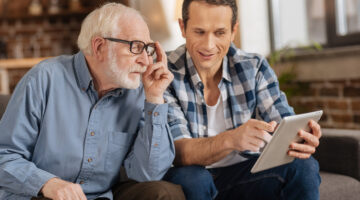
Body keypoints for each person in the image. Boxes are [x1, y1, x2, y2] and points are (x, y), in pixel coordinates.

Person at [0, 3, 185, 200]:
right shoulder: (43, 79)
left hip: (103, 196)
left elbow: (148, 174)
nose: (146, 61)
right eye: (136, 47)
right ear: (99, 47)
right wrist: (48, 183)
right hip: (41, 195)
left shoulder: (139, 93)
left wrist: (155, 99)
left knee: (166, 194)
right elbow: (4, 156)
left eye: (147, 49)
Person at [163, 0, 322, 199]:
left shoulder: (253, 67)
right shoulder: (164, 72)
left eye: (220, 33)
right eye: (200, 32)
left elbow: (284, 123)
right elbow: (179, 152)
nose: (209, 45)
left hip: (244, 173)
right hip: (192, 174)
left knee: (304, 166)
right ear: (183, 28)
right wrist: (231, 139)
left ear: (233, 31)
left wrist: (301, 138)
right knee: (194, 179)